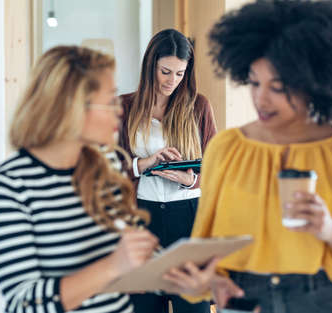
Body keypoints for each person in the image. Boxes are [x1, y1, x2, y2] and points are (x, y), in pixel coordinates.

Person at [0, 46, 238, 313]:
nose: (119, 111)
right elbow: (25, 304)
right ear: (72, 106)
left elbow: (131, 254)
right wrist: (114, 266)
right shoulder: (8, 189)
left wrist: (198, 281)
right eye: (110, 101)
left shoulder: (104, 165)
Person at [190, 1, 332, 312]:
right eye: (255, 82)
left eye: (278, 87)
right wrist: (208, 282)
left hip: (326, 300)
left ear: (315, 84)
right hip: (246, 301)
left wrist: (330, 229)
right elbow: (204, 250)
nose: (260, 98)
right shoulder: (227, 148)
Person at [118, 29, 217, 313]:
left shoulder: (199, 107)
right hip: (142, 220)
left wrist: (190, 180)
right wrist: (144, 163)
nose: (171, 81)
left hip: (188, 219)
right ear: (150, 66)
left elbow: (215, 168)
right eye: (165, 71)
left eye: (179, 73)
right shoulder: (124, 108)